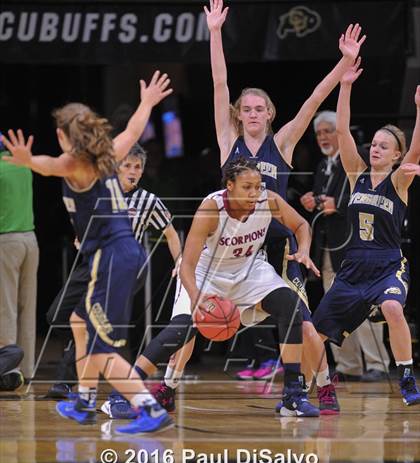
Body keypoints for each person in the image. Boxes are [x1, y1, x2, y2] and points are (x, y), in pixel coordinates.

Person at [152, 1, 366, 416]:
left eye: (259, 108)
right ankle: (167, 385)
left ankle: (319, 386)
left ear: (270, 114)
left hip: (276, 247)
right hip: (229, 246)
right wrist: (214, 32)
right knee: (198, 317)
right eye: (246, 108)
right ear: (238, 114)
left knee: (303, 321)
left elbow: (314, 99)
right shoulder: (226, 139)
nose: (252, 113)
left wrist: (344, 64)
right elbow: (219, 83)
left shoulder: (282, 142)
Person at [2, 70, 178, 434]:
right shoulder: (109, 153)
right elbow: (131, 131)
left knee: (103, 349)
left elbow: (48, 167)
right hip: (119, 255)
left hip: (111, 259)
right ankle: (83, 399)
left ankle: (149, 409)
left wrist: (27, 160)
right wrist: (146, 103)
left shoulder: (75, 163)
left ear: (63, 136)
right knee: (79, 322)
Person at [123, 157, 322, 424]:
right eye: (247, 187)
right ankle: (124, 392)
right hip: (205, 274)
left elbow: (301, 225)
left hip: (249, 270)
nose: (254, 193)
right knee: (181, 329)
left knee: (290, 305)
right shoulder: (211, 208)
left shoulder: (268, 200)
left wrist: (304, 250)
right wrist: (196, 298)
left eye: (258, 186)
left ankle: (293, 395)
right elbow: (187, 265)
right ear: (230, 185)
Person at [312, 60, 420, 407]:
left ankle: (405, 375)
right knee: (314, 332)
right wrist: (345, 86)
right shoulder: (355, 173)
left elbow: (416, 150)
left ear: (396, 155)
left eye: (384, 146)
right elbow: (342, 133)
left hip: (388, 264)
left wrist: (419, 110)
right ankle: (322, 389)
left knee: (391, 306)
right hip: (353, 267)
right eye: (374, 144)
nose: (375, 149)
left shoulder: (399, 180)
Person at [45, 143, 182, 415]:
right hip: (93, 264)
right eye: (127, 165)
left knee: (98, 328)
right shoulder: (101, 192)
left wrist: (180, 261)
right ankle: (93, 392)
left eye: (137, 167)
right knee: (60, 316)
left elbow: (171, 234)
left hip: (124, 270)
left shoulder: (148, 201)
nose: (132, 171)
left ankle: (102, 395)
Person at [300, 110, 390, 381]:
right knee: (335, 306)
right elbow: (323, 203)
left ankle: (378, 364)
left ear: (341, 133)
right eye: (319, 133)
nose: (323, 137)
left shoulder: (358, 158)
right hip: (330, 247)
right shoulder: (322, 165)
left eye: (329, 131)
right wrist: (312, 201)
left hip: (356, 244)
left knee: (364, 304)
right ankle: (348, 365)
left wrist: (333, 204)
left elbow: (364, 196)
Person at [0, 133, 39, 381]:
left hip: (7, 240)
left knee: (5, 306)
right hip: (30, 240)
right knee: (28, 306)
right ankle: (27, 369)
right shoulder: (24, 167)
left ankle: (8, 369)